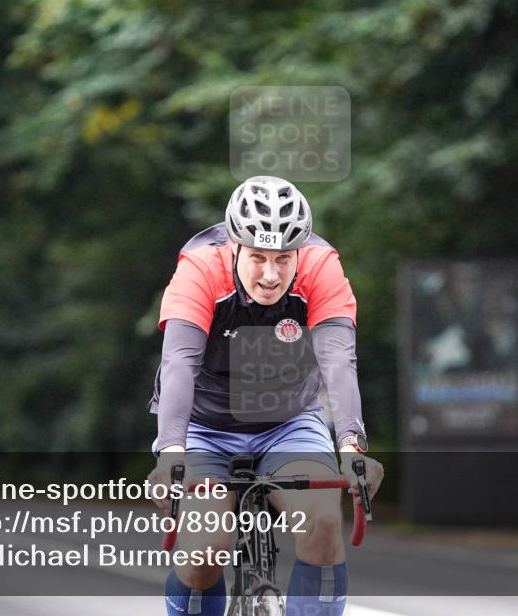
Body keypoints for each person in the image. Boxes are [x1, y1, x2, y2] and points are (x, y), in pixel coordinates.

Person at [146, 176, 384, 616]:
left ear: (300, 252)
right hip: (204, 425)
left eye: (283, 258)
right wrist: (171, 454)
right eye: (257, 257)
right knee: (206, 545)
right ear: (235, 247)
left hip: (287, 421)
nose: (271, 275)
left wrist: (351, 446)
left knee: (324, 522)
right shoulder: (200, 268)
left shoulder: (320, 266)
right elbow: (179, 363)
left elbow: (338, 360)